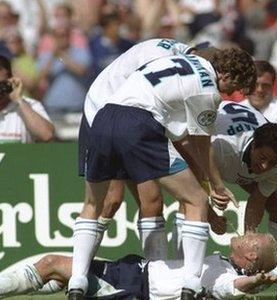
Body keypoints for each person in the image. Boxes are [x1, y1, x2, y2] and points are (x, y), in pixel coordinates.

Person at [70, 47, 256, 299]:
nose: (230, 93)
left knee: (92, 204)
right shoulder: (208, 90)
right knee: (196, 201)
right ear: (229, 75)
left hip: (103, 118)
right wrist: (217, 185)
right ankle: (191, 284)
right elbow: (201, 144)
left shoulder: (180, 60)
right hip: (138, 124)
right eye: (235, 87)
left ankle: (77, 282)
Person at [99, 101, 277, 299]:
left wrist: (248, 240)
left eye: (272, 163)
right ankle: (177, 276)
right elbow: (190, 176)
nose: (265, 167)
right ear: (253, 145)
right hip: (187, 145)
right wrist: (209, 213)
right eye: (262, 158)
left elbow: (258, 199)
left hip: (233, 164)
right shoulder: (222, 146)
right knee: (179, 203)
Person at [0, 232, 277, 299]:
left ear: (249, 257)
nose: (248, 233)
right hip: (134, 270)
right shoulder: (232, 262)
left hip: (134, 287)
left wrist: (254, 282)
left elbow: (232, 290)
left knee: (55, 264)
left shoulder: (226, 275)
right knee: (53, 269)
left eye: (254, 239)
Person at [241, 61, 277, 129]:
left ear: (273, 86)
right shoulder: (235, 110)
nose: (260, 90)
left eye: (265, 85)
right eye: (255, 84)